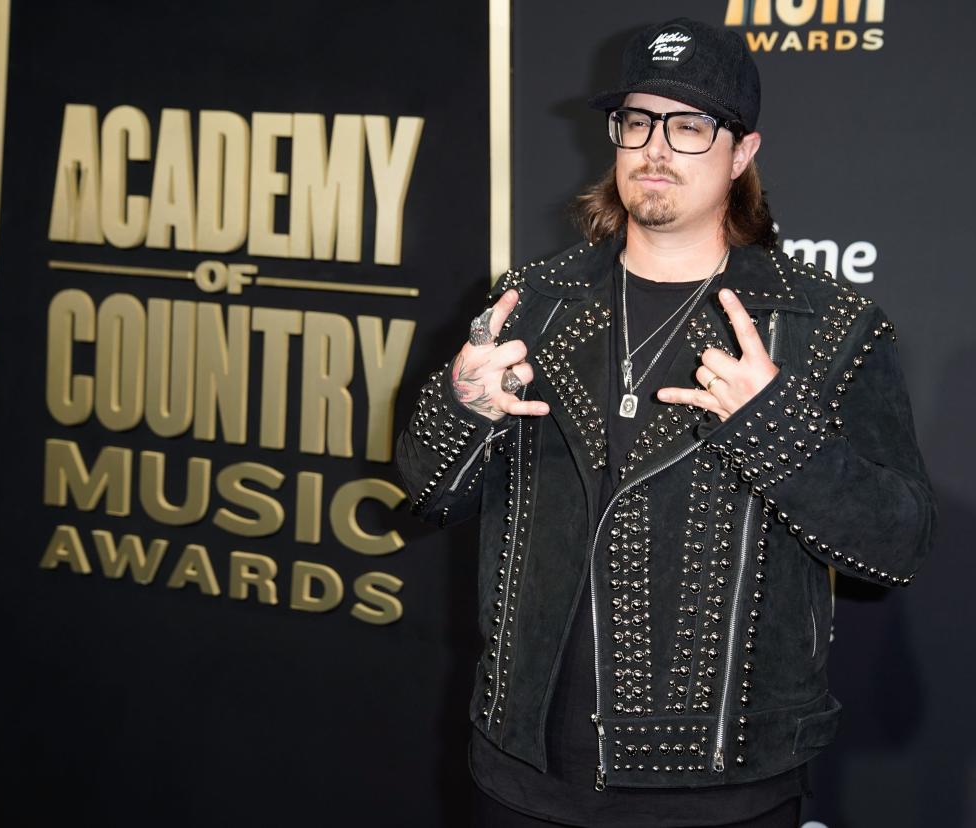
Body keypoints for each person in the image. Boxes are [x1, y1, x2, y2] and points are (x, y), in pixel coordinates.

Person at [396, 17, 936, 828]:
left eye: (690, 126)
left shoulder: (822, 325)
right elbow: (425, 492)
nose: (656, 147)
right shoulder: (535, 302)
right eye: (637, 122)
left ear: (742, 153)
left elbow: (895, 551)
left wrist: (775, 427)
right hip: (520, 774)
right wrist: (461, 408)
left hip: (723, 789)